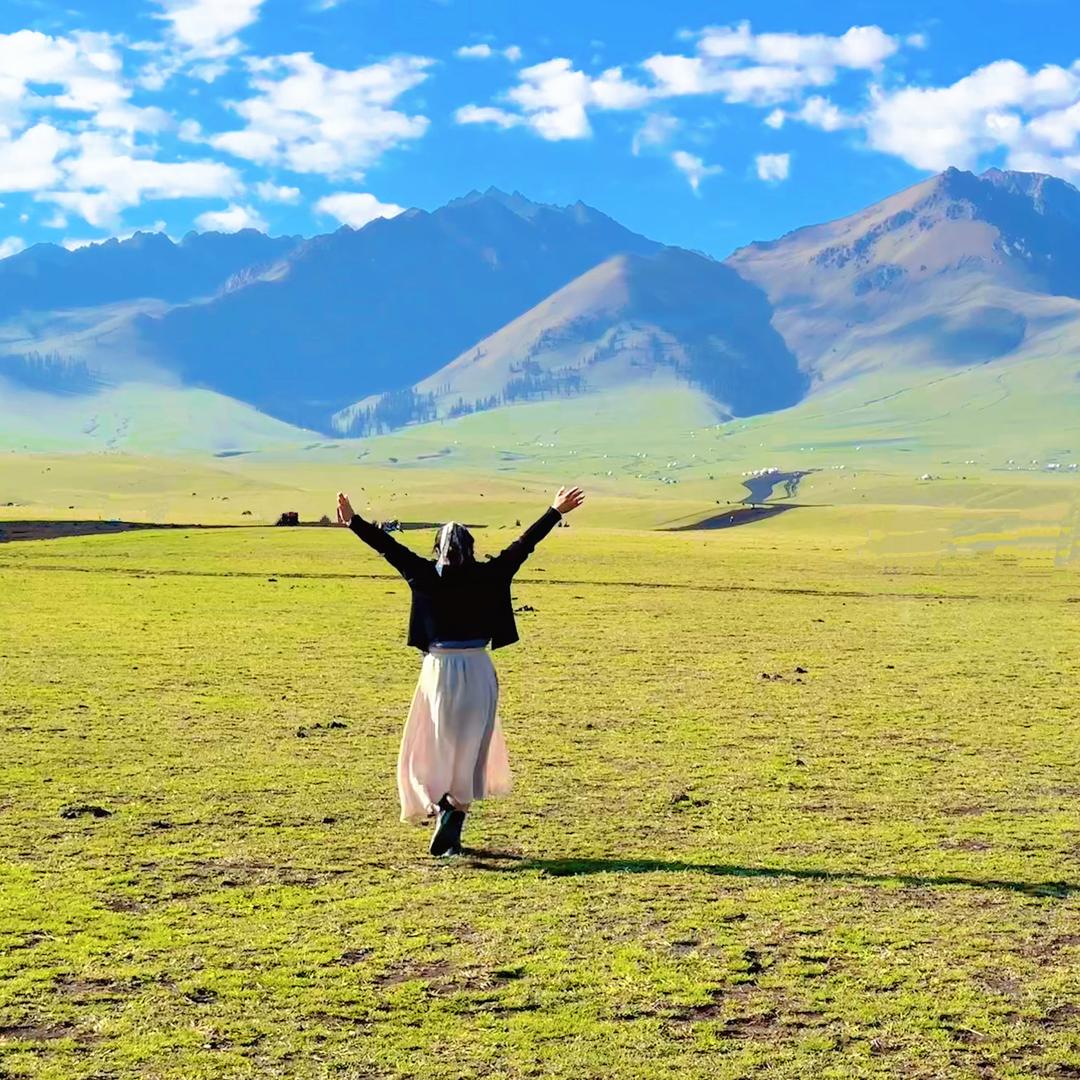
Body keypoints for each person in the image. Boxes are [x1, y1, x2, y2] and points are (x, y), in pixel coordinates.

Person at [335, 486, 586, 856]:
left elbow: (388, 548)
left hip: (438, 671)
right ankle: (455, 814)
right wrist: (553, 511)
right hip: (478, 669)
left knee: (435, 745)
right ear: (471, 547)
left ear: (437, 548)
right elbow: (523, 544)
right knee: (472, 749)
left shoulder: (422, 574)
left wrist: (354, 521)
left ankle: (441, 808)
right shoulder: (492, 574)